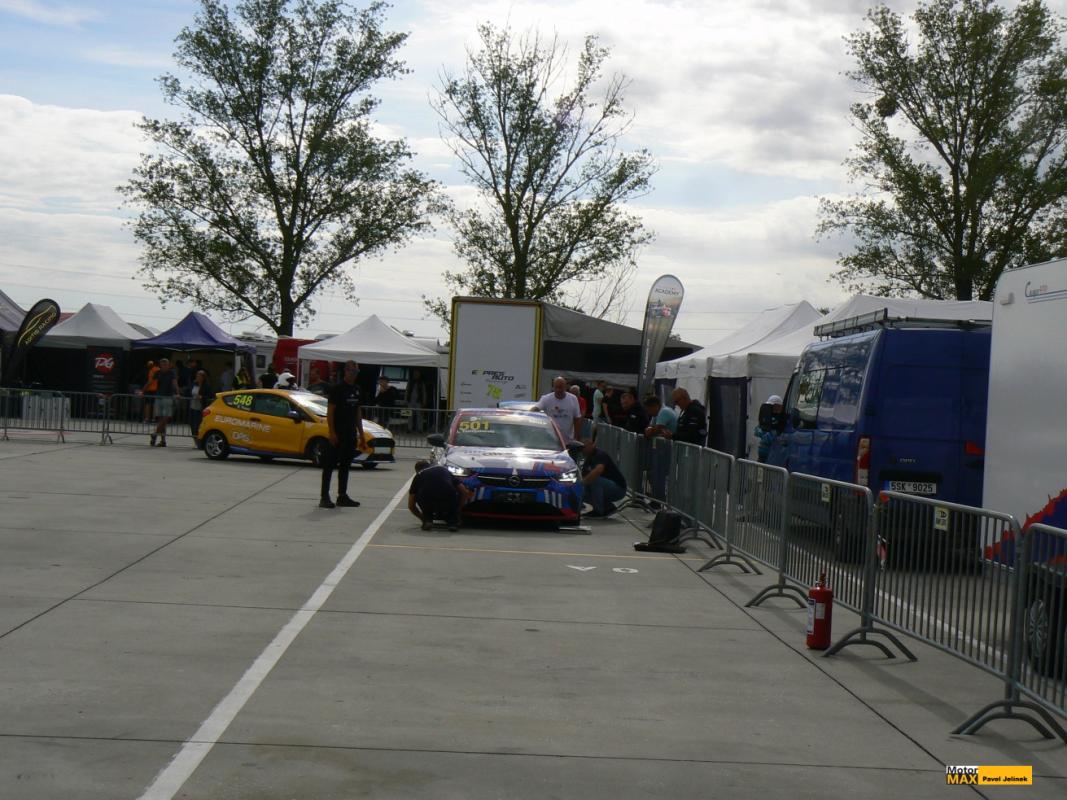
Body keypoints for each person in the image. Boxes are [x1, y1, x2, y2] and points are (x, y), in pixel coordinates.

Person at [320, 360, 363, 509]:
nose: (354, 374)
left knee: (345, 465)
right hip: (338, 433)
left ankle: (342, 496)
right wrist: (332, 432)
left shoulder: (357, 389)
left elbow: (358, 412)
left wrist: (361, 434)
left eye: (356, 372)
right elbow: (330, 412)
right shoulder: (337, 389)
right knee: (329, 465)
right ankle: (324, 497)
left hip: (350, 433)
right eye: (352, 371)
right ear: (346, 371)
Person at [408, 460, 471, 531]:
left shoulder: (418, 475)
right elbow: (464, 491)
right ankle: (453, 522)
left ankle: (428, 520)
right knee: (455, 493)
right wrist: (458, 509)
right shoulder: (443, 469)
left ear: (417, 470)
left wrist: (423, 518)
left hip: (428, 502)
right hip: (448, 500)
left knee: (418, 495)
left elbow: (411, 505)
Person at [580, 436, 627, 517]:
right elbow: (583, 475)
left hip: (618, 489)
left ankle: (598, 511)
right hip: (606, 487)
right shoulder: (588, 458)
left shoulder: (600, 454)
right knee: (581, 492)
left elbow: (598, 470)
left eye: (584, 447)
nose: (582, 450)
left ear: (591, 445)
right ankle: (607, 506)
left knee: (595, 480)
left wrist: (583, 482)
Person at [642, 395, 678, 502]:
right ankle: (657, 497)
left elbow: (655, 430)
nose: (648, 412)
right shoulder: (658, 413)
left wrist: (650, 431)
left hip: (667, 449)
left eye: (649, 409)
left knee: (659, 474)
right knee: (654, 472)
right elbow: (649, 428)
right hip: (662, 448)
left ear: (655, 406)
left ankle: (658, 499)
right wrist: (650, 430)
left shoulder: (664, 412)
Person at [536, 376, 582, 440]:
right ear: (553, 387)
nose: (558, 390)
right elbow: (537, 408)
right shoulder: (546, 399)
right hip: (551, 439)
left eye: (560, 387)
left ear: (565, 387)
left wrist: (576, 436)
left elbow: (577, 418)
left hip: (568, 439)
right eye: (556, 387)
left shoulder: (573, 399)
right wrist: (529, 414)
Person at [148, 357, 179, 447]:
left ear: (169, 365)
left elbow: (175, 383)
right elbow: (150, 382)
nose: (164, 366)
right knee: (161, 420)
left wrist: (177, 393)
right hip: (159, 397)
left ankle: (155, 434)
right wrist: (142, 391)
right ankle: (163, 441)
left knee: (165, 418)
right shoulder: (158, 373)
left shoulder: (172, 373)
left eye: (166, 364)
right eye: (163, 364)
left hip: (168, 397)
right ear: (160, 365)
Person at [754, 394, 787, 462]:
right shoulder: (767, 417)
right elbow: (757, 431)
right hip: (764, 450)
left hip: (774, 452)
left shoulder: (781, 418)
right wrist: (763, 433)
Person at [188, 370, 215, 447]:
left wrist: (202, 397)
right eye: (197, 376)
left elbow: (211, 396)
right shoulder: (194, 384)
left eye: (199, 376)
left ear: (203, 378)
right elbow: (188, 392)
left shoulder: (206, 386)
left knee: (198, 425)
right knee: (192, 425)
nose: (197, 377)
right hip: (192, 407)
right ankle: (196, 441)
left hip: (201, 408)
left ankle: (200, 441)